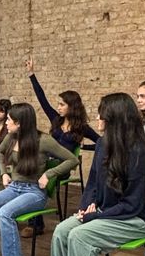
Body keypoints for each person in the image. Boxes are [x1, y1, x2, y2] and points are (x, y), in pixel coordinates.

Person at [39, 94, 145, 256]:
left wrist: (96, 215)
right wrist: (87, 207)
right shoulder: (103, 144)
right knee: (62, 231)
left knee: (81, 236)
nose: (97, 118)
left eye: (101, 113)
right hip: (108, 211)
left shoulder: (138, 151)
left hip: (135, 218)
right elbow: (92, 184)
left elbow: (132, 205)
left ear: (114, 118)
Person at [0, 103, 78, 256]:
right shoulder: (12, 137)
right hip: (14, 187)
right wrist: (4, 172)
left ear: (20, 123)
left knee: (4, 214)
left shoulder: (44, 140)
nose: (6, 124)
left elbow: (72, 159)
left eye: (10, 121)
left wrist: (49, 174)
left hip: (35, 192)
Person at [23, 58, 99, 237]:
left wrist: (84, 147)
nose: (58, 107)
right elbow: (42, 99)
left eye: (62, 104)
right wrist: (31, 74)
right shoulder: (56, 120)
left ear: (72, 107)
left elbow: (101, 142)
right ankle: (35, 219)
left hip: (63, 166)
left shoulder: (81, 127)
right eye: (58, 104)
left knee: (36, 178)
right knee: (29, 172)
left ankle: (35, 224)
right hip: (48, 162)